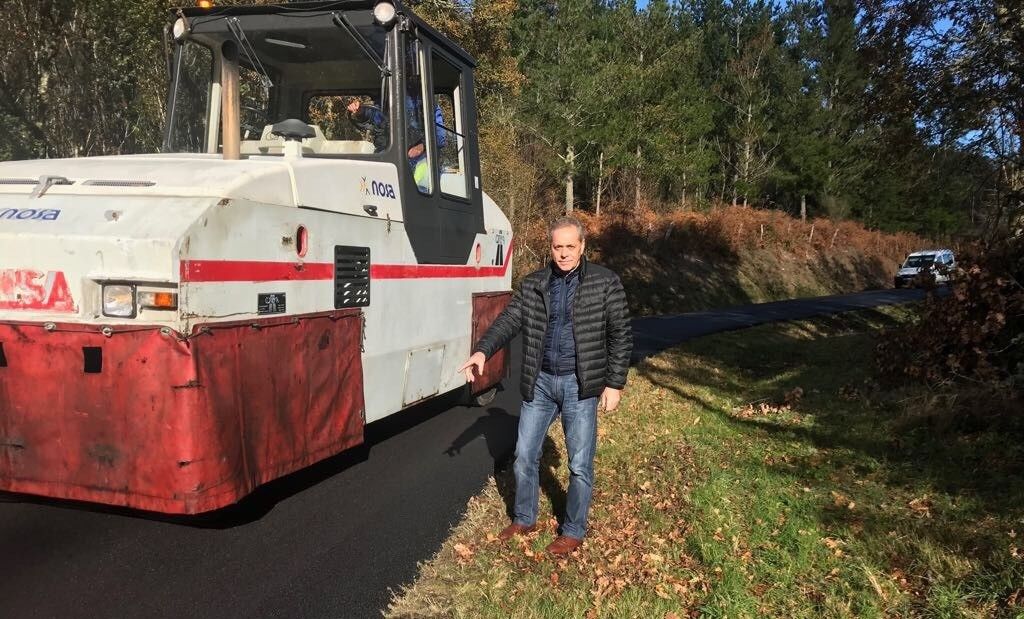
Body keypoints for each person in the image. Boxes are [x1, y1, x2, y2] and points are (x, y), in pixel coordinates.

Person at [458, 216, 632, 556]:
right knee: (524, 455)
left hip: (580, 385)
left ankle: (573, 529)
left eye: (570, 246)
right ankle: (525, 518)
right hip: (540, 383)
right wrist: (482, 350)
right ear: (549, 247)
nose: (564, 253)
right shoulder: (535, 283)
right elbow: (509, 319)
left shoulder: (605, 282)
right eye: (557, 247)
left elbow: (621, 334)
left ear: (582, 246)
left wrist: (614, 384)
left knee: (580, 464)